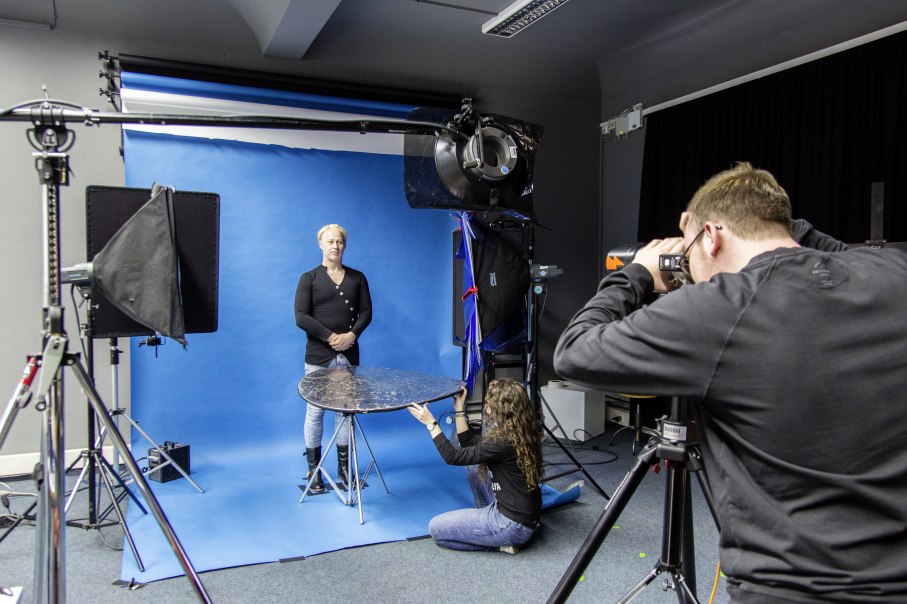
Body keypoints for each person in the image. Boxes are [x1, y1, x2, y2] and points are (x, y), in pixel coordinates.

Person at [554, 162, 907, 602]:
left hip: (789, 591)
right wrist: (769, 219)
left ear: (712, 235)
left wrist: (639, 273)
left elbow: (573, 352)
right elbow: (820, 249)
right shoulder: (893, 272)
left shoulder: (718, 308)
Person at [408, 378, 542, 554]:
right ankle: (483, 523)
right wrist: (459, 410)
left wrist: (431, 424)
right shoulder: (521, 431)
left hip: (510, 526)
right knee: (473, 465)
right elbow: (469, 444)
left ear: (500, 409)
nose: (486, 407)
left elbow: (452, 456)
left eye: (489, 403)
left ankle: (500, 543)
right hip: (525, 517)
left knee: (436, 529)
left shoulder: (500, 442)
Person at [295, 224, 372, 494]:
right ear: (320, 244)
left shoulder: (357, 278)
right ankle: (313, 471)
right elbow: (301, 317)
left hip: (348, 355)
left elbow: (366, 313)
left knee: (343, 412)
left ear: (344, 246)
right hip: (319, 355)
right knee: (315, 411)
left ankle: (343, 470)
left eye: (339, 242)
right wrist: (331, 337)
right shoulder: (309, 278)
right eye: (330, 241)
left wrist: (351, 335)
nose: (335, 246)